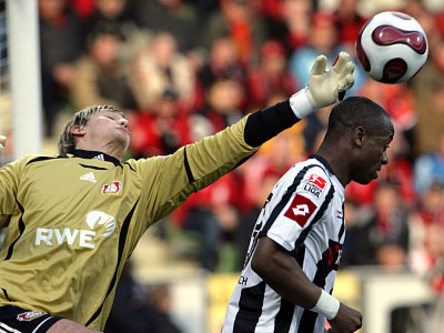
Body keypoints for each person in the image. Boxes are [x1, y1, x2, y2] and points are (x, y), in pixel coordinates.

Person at [0, 51, 354, 332]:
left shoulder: (141, 179)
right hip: (10, 311)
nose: (123, 120)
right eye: (109, 116)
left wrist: (305, 100)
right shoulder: (30, 170)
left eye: (125, 117)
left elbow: (224, 146)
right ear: (77, 130)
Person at [222, 96, 394, 332]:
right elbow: (267, 258)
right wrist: (334, 309)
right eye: (383, 146)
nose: (385, 158)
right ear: (359, 137)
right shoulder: (315, 181)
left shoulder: (330, 190)